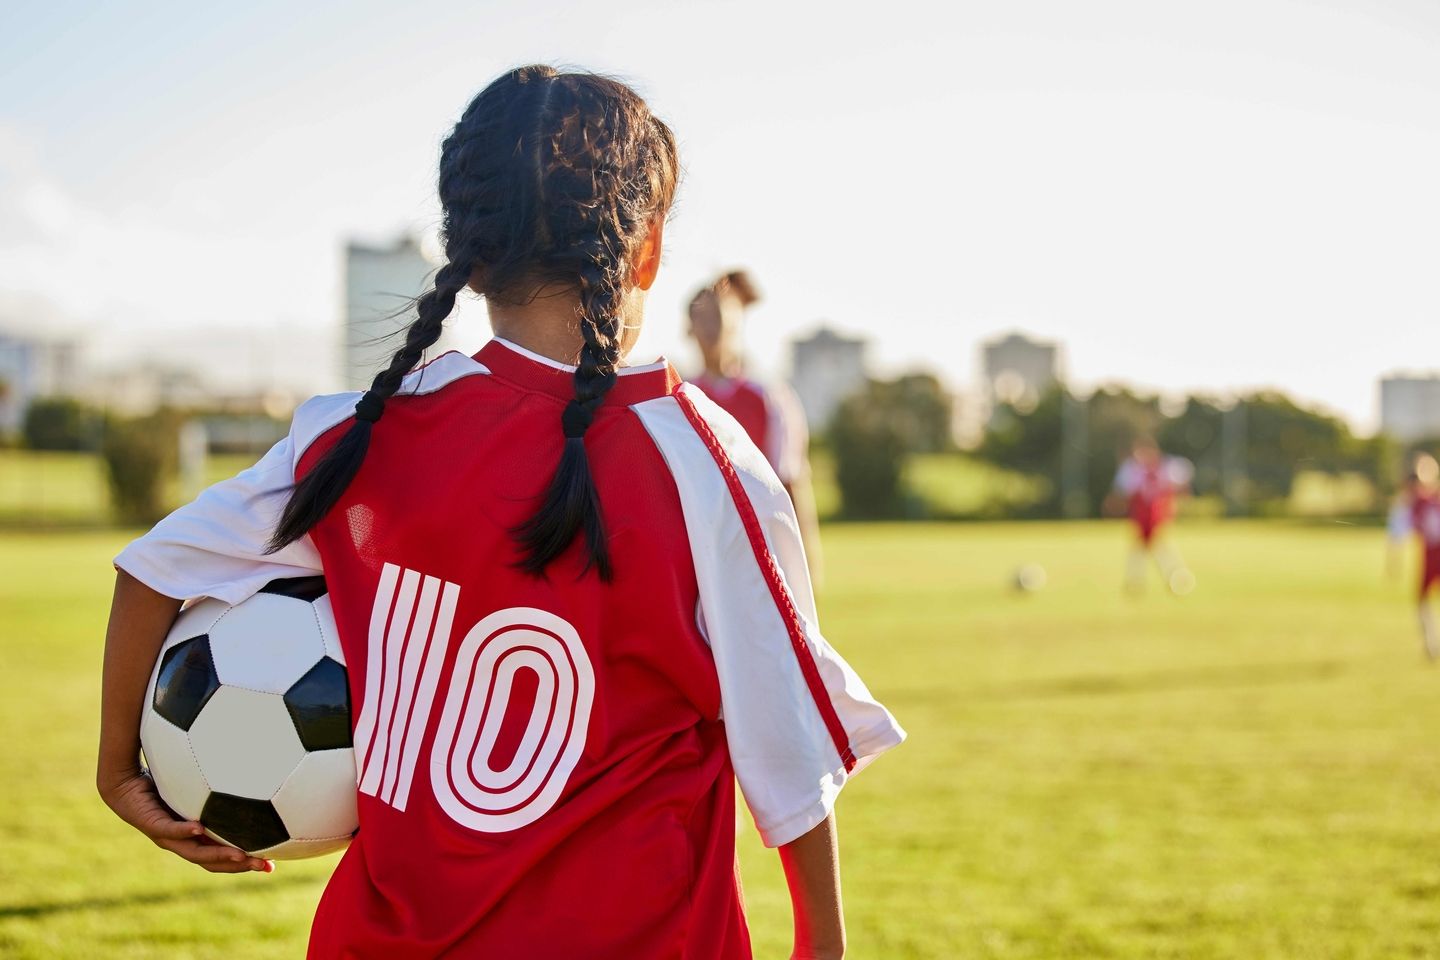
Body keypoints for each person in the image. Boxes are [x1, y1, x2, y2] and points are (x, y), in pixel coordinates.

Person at [96, 66, 904, 959]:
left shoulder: (359, 434)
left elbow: (155, 570)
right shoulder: (707, 465)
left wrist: (116, 770)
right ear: (649, 252)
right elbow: (791, 762)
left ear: (469, 256)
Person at [687, 272, 822, 578]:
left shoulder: (770, 398)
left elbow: (790, 482)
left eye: (718, 318)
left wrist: (806, 565)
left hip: (761, 558)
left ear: (736, 324)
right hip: (699, 559)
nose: (710, 328)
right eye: (701, 317)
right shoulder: (677, 400)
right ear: (689, 327)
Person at [1109, 438, 1195, 595]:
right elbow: (1124, 491)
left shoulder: (1166, 466)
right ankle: (1169, 576)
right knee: (1146, 547)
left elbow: (1180, 485)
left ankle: (1171, 576)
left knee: (1152, 546)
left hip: (1157, 514)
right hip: (1141, 516)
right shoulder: (1133, 470)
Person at [1387, 453, 1440, 659]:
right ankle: (1431, 644)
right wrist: (1394, 561)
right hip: (1429, 555)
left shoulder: (1431, 499)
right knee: (1421, 600)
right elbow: (1397, 534)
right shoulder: (1411, 504)